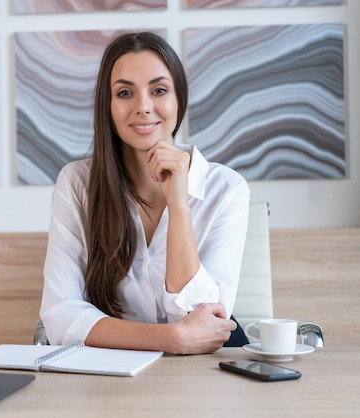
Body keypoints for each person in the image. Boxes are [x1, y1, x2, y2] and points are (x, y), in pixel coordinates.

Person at [39, 31, 250, 355]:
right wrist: (171, 339)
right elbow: (61, 317)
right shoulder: (76, 184)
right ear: (107, 105)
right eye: (125, 92)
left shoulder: (226, 189)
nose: (143, 107)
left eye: (159, 90)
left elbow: (207, 323)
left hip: (199, 378)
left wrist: (179, 206)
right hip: (106, 378)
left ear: (179, 98)